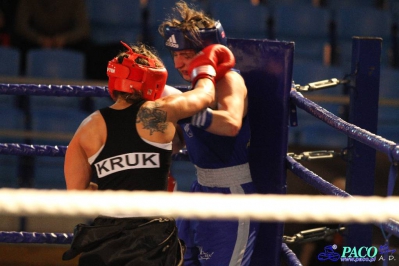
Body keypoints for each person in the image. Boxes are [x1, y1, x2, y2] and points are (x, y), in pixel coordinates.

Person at [62, 40, 235, 265]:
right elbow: (205, 95)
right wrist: (205, 66)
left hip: (104, 239)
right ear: (154, 80)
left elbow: (76, 196)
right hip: (153, 238)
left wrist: (114, 188)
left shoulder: (86, 128)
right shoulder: (161, 111)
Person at [158, 1, 259, 265]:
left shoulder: (228, 80)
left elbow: (231, 123)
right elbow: (186, 137)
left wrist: (183, 110)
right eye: (175, 54)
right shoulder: (197, 87)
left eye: (187, 54)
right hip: (199, 188)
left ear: (209, 52)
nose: (179, 63)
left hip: (231, 195)